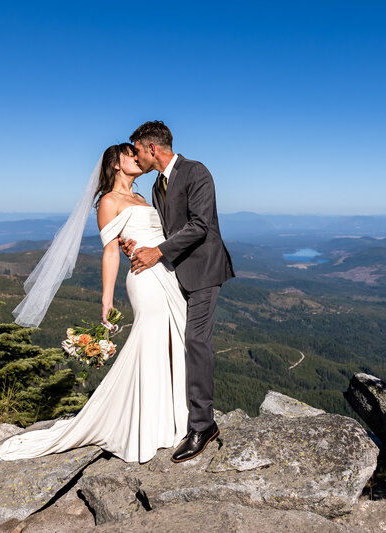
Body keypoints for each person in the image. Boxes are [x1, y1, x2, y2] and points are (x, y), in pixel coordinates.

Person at [0, 143, 188, 467]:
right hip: (144, 280)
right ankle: (148, 427)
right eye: (129, 154)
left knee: (174, 341)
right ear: (115, 164)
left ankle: (172, 418)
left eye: (137, 153)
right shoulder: (108, 201)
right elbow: (109, 251)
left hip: (167, 274)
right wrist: (107, 302)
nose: (136, 157)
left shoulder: (144, 199)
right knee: (151, 342)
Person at [123, 121, 234, 463]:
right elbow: (164, 229)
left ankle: (203, 426)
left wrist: (157, 252)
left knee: (196, 341)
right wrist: (138, 243)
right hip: (174, 274)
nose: (136, 157)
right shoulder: (158, 186)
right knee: (173, 340)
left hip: (203, 271)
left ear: (152, 148)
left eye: (138, 150)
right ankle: (175, 417)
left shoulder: (196, 172)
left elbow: (201, 226)